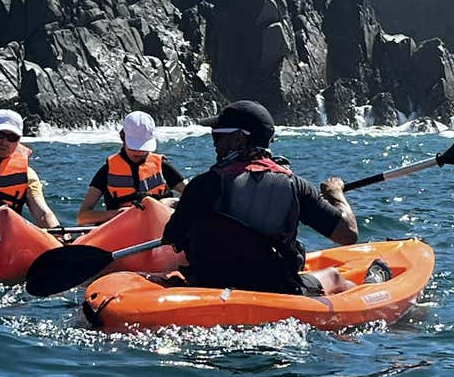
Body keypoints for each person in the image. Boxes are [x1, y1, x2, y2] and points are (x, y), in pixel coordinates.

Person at [161, 100, 391, 296]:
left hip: (210, 284)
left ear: (239, 140)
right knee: (333, 277)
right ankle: (372, 287)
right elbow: (348, 233)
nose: (214, 143)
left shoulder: (202, 185)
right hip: (277, 288)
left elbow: (172, 237)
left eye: (218, 136)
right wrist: (337, 195)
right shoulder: (296, 185)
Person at [77, 111, 187, 225]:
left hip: (160, 226)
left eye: (143, 147)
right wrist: (116, 214)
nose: (139, 152)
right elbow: (83, 217)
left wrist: (171, 202)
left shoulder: (163, 166)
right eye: (134, 147)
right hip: (124, 229)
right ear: (122, 137)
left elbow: (195, 195)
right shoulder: (107, 171)